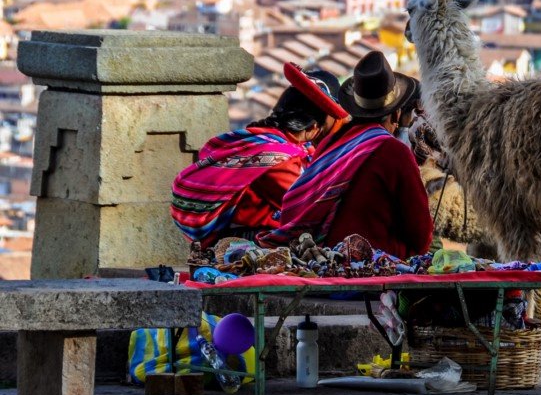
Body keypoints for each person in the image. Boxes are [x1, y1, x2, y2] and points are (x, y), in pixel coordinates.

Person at [259, 52, 433, 259]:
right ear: (395, 114)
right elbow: (421, 237)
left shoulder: (330, 146)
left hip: (321, 260)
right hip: (375, 266)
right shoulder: (394, 150)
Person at [171, 64, 348, 246]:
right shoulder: (280, 159)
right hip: (245, 242)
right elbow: (306, 205)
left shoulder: (257, 140)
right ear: (312, 127)